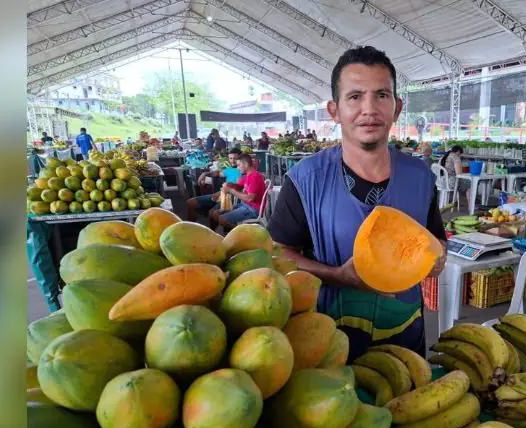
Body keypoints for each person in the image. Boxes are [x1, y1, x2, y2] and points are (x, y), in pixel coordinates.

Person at [267, 45, 448, 360]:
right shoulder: (305, 179)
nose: (369, 109)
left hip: (406, 338)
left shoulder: (421, 177)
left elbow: (437, 241)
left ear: (397, 107)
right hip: (329, 347)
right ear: (334, 110)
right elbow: (276, 252)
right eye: (355, 97)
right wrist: (338, 275)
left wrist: (438, 258)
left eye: (381, 95)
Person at [187, 147, 242, 222]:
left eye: (235, 158)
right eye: (231, 158)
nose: (233, 161)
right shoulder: (230, 169)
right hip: (220, 194)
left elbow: (238, 188)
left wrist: (219, 193)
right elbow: (218, 173)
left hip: (230, 198)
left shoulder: (242, 171)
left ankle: (213, 232)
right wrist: (205, 173)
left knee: (212, 213)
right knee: (191, 203)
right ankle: (189, 229)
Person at [215, 153, 266, 231]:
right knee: (216, 213)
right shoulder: (247, 176)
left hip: (253, 209)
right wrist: (230, 185)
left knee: (222, 219)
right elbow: (239, 187)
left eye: (239, 165)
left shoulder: (254, 177)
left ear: (245, 164)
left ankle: (243, 234)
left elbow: (250, 198)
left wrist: (230, 190)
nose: (237, 168)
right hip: (245, 206)